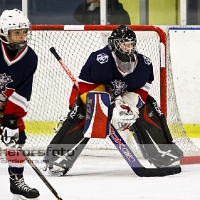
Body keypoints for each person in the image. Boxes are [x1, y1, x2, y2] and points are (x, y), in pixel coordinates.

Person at [43, 25, 183, 176]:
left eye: (131, 44)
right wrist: (106, 107)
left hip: (123, 98)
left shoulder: (144, 63)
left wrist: (132, 104)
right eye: (124, 44)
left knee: (149, 108)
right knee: (85, 113)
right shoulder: (99, 60)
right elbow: (84, 87)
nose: (129, 48)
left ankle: (165, 153)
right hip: (94, 96)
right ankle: (58, 157)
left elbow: (144, 87)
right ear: (114, 44)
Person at [0, 9, 40, 199]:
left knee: (17, 137)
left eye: (24, 31)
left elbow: (23, 91)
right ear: (3, 32)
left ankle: (16, 180)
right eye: (16, 32)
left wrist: (10, 120)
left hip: (7, 107)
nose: (21, 36)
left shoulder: (30, 57)